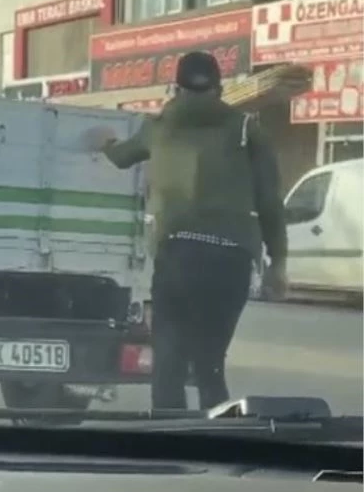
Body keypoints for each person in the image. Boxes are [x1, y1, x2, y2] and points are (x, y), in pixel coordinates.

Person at [91, 50, 288, 412]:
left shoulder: (158, 126)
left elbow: (121, 157)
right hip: (231, 259)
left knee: (169, 362)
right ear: (220, 88)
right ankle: (214, 443)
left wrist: (105, 142)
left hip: (178, 256)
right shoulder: (246, 128)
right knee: (210, 362)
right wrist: (278, 262)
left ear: (175, 88)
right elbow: (270, 201)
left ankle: (170, 440)